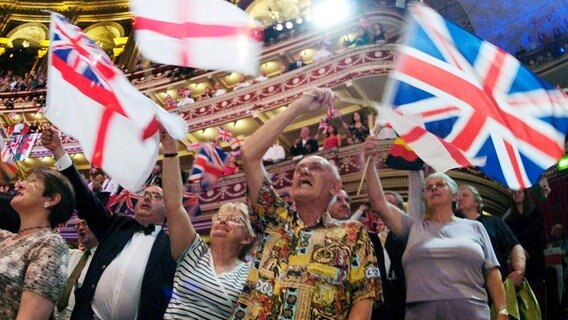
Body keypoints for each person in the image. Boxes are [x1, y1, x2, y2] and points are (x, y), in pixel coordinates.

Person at [233, 87, 381, 319]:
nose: (303, 170)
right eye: (300, 168)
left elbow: (364, 297)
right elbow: (249, 154)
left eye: (316, 168)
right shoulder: (274, 217)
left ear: (335, 186)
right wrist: (299, 106)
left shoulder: (352, 234)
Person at [363, 136, 508, 320]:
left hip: (472, 311)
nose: (434, 188)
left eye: (440, 185)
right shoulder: (412, 227)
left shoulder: (475, 227)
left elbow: (491, 271)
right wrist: (369, 162)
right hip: (421, 313)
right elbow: (378, 202)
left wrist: (502, 310)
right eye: (429, 187)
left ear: (454, 196)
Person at [41, 126, 176, 320]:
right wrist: (59, 151)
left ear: (168, 208)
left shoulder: (171, 246)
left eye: (156, 196)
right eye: (145, 194)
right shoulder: (116, 226)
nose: (147, 198)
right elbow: (85, 199)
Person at [160, 131, 255, 319]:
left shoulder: (250, 274)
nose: (221, 220)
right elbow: (173, 205)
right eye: (219, 217)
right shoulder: (193, 250)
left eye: (234, 219)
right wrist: (170, 149)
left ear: (247, 237)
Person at [0, 167, 75, 319]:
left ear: (52, 199)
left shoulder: (50, 244)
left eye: (32, 181)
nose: (18, 184)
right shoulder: (3, 237)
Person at [458, 185, 526, 288]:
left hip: (498, 284)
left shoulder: (493, 222)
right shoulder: (455, 227)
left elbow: (514, 246)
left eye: (465, 195)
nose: (460, 198)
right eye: (458, 197)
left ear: (476, 202)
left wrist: (519, 271)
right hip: (468, 286)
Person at [55, 219, 99, 320]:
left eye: (85, 223)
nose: (80, 228)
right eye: (78, 225)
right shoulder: (71, 255)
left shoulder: (105, 263)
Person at [503, 188, 546, 284]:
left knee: (538, 283)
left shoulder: (535, 212)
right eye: (514, 193)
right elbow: (511, 239)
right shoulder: (509, 219)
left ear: (525, 194)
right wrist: (521, 250)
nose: (516, 194)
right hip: (520, 256)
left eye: (519, 192)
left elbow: (539, 233)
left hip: (536, 253)